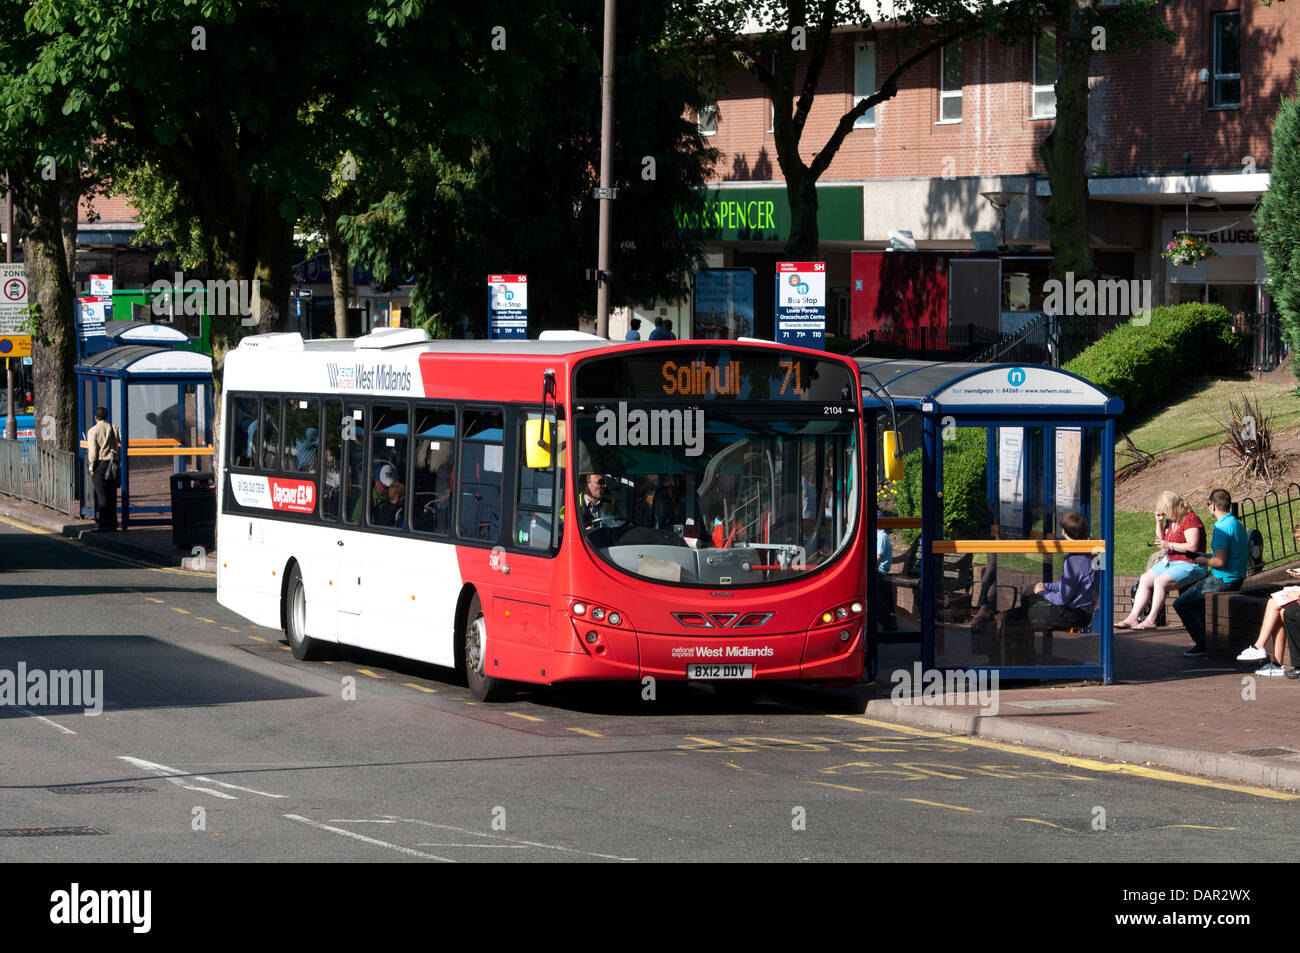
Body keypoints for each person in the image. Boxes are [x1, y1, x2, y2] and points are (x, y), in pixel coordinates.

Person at [998, 511, 1098, 656]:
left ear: (1063, 532)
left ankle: (1014, 663)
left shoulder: (1074, 560)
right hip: (1082, 613)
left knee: (1011, 618)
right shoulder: (1090, 555)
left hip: (1070, 614)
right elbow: (1072, 585)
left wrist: (1042, 592)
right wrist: (1044, 586)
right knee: (1024, 610)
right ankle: (1023, 661)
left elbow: (1063, 598)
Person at [1174, 488, 1249, 657]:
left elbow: (1220, 562)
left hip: (1223, 579)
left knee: (1181, 603)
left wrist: (1202, 560)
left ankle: (1203, 644)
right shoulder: (1236, 524)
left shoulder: (1222, 528)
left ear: (1213, 506)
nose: (1208, 508)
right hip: (1235, 576)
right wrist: (1205, 555)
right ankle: (1208, 640)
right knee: (1194, 600)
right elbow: (1226, 556)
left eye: (1208, 504)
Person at [1117, 491, 1206, 630]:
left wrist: (1169, 545)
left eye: (1165, 510)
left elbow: (1192, 546)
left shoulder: (1190, 519)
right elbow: (1161, 540)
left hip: (1190, 563)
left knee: (1160, 581)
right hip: (1171, 561)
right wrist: (1158, 522)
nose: (1164, 514)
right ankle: (1133, 617)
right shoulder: (1171, 521)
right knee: (1145, 578)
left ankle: (1151, 620)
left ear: (1172, 507)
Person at [87, 407, 121, 531]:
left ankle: (103, 525)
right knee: (112, 495)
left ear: (96, 417)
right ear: (106, 417)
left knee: (102, 496)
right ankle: (113, 524)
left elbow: (93, 451)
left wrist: (92, 467)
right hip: (113, 465)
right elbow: (122, 440)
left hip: (100, 466)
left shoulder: (93, 431)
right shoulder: (113, 428)